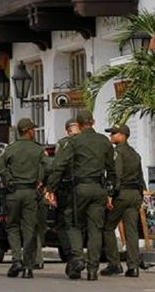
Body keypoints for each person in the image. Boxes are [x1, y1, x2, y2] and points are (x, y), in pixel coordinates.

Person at [46, 110, 115, 281]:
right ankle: (93, 269)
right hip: (99, 188)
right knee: (95, 229)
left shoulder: (74, 142)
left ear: (78, 123)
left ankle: (78, 257)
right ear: (93, 121)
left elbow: (60, 165)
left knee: (73, 223)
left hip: (79, 188)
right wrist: (110, 192)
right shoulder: (104, 141)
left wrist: (51, 188)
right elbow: (112, 169)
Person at [0, 118, 47, 279]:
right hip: (31, 192)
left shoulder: (10, 149)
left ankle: (16, 260)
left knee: (12, 227)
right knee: (29, 228)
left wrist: (8, 177)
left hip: (13, 193)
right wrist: (41, 180)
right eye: (33, 129)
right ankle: (28, 266)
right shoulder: (38, 149)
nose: (34, 132)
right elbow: (49, 166)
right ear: (28, 131)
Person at [100, 124, 145, 278]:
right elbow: (140, 177)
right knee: (131, 230)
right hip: (134, 194)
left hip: (122, 194)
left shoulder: (117, 152)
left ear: (123, 135)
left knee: (107, 227)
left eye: (114, 133)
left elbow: (116, 175)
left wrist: (110, 194)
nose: (111, 136)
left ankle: (114, 264)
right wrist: (141, 196)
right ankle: (133, 266)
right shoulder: (135, 154)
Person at [54, 118, 80, 263]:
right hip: (90, 186)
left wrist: (51, 187)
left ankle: (72, 255)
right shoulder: (89, 142)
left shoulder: (63, 144)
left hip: (67, 187)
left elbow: (58, 166)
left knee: (65, 223)